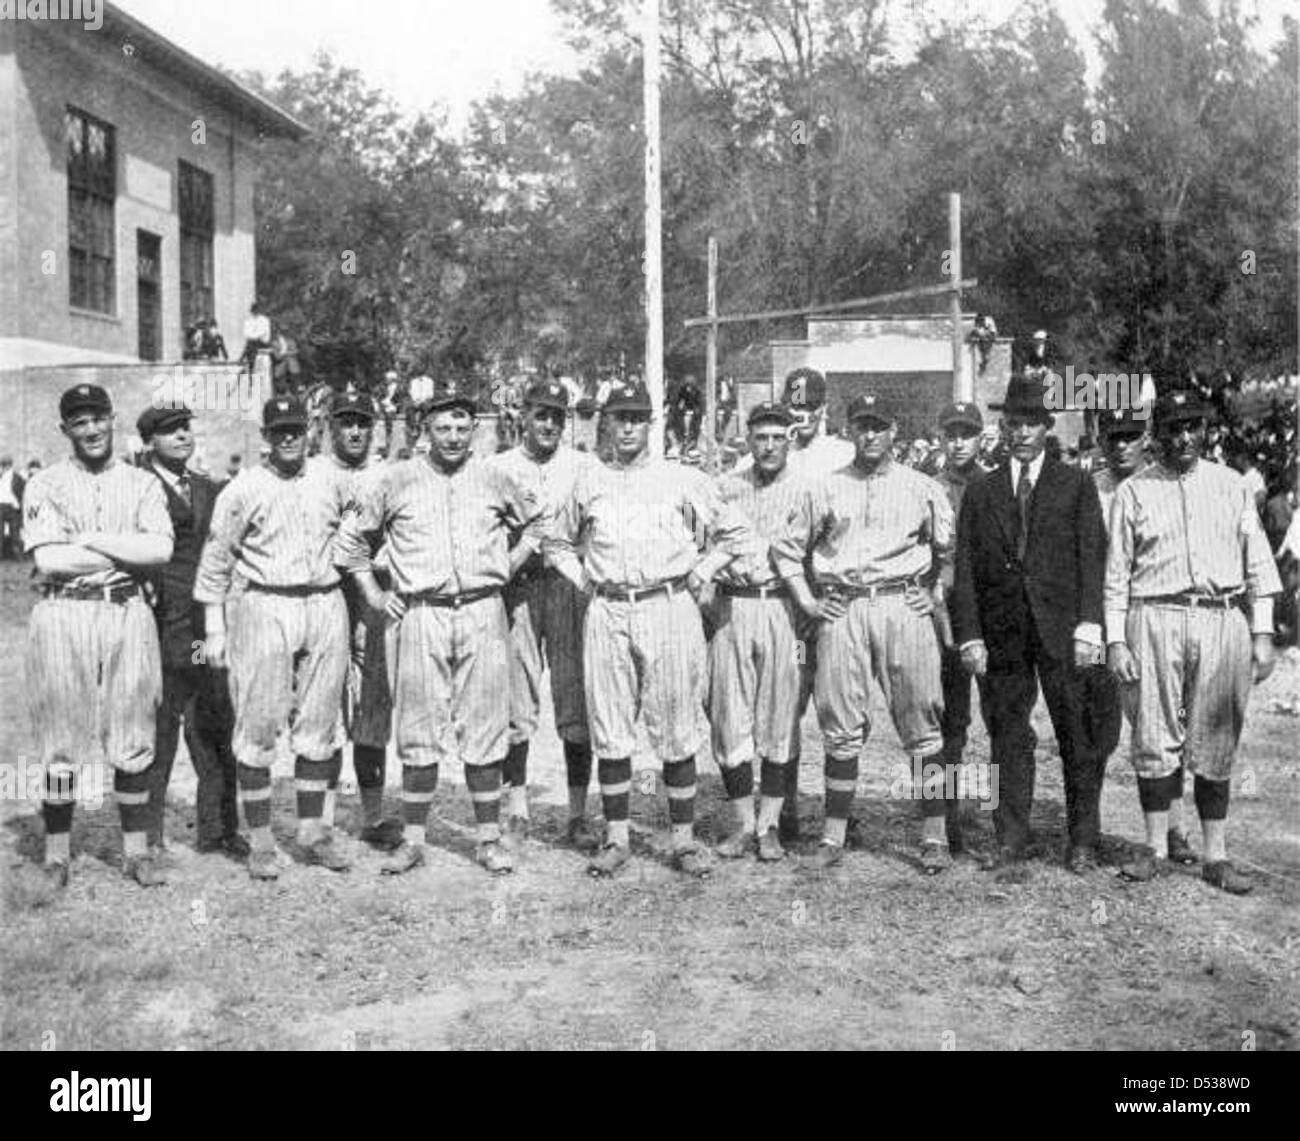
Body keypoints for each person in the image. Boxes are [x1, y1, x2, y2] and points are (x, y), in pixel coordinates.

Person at [545, 379, 755, 879]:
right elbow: (554, 543)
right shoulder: (586, 479)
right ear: (606, 423)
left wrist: (702, 572)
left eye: (637, 417)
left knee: (677, 725)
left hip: (668, 603)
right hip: (609, 607)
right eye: (620, 417)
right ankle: (617, 837)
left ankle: (682, 840)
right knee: (611, 729)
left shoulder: (679, 478)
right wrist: (585, 581)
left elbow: (736, 533)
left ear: (651, 424)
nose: (628, 427)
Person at [336, 378, 545, 877]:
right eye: (442, 426)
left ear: (474, 429)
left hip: (482, 609)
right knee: (417, 727)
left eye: (461, 426)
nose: (452, 435)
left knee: (486, 725)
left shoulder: (495, 477)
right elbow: (351, 547)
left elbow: (538, 523)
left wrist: (506, 565)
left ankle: (489, 839)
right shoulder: (395, 479)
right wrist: (374, 594)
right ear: (424, 428)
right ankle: (413, 840)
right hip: (420, 612)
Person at [1105, 389, 1281, 894]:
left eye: (1192, 427)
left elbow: (1258, 564)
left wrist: (1263, 632)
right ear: (1156, 434)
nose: (1183, 437)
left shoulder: (1231, 486)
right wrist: (1116, 640)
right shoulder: (1133, 491)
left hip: (1220, 615)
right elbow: (1116, 575)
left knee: (1216, 734)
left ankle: (1216, 856)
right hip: (1154, 615)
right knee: (1153, 733)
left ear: (1205, 431)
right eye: (1172, 428)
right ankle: (1156, 849)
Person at [774, 393, 954, 873]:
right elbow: (787, 553)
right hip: (845, 606)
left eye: (879, 425)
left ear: (895, 429)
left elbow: (949, 551)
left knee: (921, 719)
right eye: (861, 425)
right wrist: (810, 603)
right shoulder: (825, 487)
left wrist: (932, 594)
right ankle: (833, 835)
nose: (870, 434)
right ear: (849, 429)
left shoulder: (923, 487)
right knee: (840, 722)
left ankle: (934, 835)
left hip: (902, 604)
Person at [951, 373, 1108, 877]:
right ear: (1004, 427)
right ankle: (1011, 836)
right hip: (1003, 635)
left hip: (1062, 631)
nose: (1022, 433)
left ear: (1047, 427)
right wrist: (971, 635)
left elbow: (1092, 559)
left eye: (1032, 424)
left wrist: (1090, 626)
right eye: (1014, 424)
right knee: (1007, 736)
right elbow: (968, 572)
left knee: (1077, 736)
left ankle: (1082, 839)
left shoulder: (1075, 484)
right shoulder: (982, 490)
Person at [194, 396, 352, 880]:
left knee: (320, 723)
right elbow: (217, 559)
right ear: (265, 437)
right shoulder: (243, 489)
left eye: (296, 430)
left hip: (325, 600)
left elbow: (361, 528)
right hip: (265, 603)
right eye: (278, 431)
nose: (288, 438)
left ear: (310, 432)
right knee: (259, 726)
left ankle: (312, 832)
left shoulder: (331, 478)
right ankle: (261, 841)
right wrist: (215, 629)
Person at [23, 384, 174, 888]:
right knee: (60, 735)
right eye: (78, 422)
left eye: (97, 418)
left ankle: (135, 853)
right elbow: (49, 558)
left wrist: (88, 539)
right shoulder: (45, 483)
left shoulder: (143, 482)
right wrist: (122, 550)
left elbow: (159, 550)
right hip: (63, 612)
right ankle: (57, 855)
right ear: (65, 429)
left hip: (126, 610)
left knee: (133, 726)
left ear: (113, 420)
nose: (90, 430)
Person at [485, 378, 598, 852]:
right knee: (517, 702)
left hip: (568, 587)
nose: (548, 423)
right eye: (540, 413)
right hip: (520, 587)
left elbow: (596, 525)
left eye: (556, 415)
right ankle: (517, 809)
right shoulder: (497, 466)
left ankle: (576, 813)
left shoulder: (583, 466)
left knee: (575, 704)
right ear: (523, 416)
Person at [136, 404, 244, 861]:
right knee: (159, 731)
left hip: (200, 632)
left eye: (185, 427)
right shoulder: (137, 488)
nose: (182, 435)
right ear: (149, 442)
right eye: (168, 430)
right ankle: (149, 836)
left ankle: (218, 831)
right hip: (156, 628)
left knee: (212, 723)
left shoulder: (208, 488)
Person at [709, 401, 804, 862]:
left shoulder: (808, 490)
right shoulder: (725, 489)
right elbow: (699, 547)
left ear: (791, 439)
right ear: (748, 441)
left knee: (779, 719)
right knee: (729, 718)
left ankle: (770, 826)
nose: (768, 446)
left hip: (782, 608)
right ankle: (744, 823)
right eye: (760, 437)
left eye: (777, 437)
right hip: (733, 605)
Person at [314, 391, 403, 851]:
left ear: (374, 428)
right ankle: (323, 820)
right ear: (331, 426)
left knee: (373, 707)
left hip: (372, 596)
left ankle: (373, 816)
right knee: (323, 705)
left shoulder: (387, 475)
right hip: (325, 595)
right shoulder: (314, 473)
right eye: (346, 422)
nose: (354, 431)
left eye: (363, 423)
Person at [933, 402, 989, 854]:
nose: (958, 442)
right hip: (944, 611)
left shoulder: (995, 485)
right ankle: (944, 819)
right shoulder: (928, 488)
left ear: (980, 438)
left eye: (966, 434)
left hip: (991, 612)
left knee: (1002, 718)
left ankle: (1004, 820)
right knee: (947, 721)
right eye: (951, 434)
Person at [0, 456, 21, 560]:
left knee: (15, 532)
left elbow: (22, 492)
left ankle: (17, 555)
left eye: (7, 465)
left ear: (11, 465)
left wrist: (19, 505)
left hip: (13, 507)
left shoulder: (17, 478)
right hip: (0, 506)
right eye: (3, 465)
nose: (5, 467)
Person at [240, 303, 271, 370]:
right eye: (253, 312)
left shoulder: (264, 320)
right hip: (252, 342)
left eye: (256, 311)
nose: (255, 313)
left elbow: (263, 333)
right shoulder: (248, 320)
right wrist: (254, 335)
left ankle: (244, 358)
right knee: (251, 344)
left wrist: (254, 335)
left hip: (262, 342)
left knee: (251, 345)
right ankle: (249, 362)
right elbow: (246, 334)